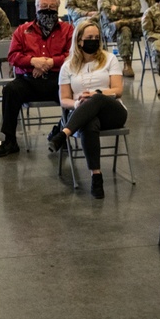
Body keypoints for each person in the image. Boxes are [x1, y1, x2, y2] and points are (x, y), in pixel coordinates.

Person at [47, 19, 126, 198]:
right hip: (81, 113)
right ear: (79, 40)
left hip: (112, 112)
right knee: (89, 123)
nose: (94, 41)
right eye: (89, 37)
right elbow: (64, 99)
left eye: (96, 37)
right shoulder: (67, 66)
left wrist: (97, 94)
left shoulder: (109, 58)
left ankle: (63, 133)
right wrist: (77, 103)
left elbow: (118, 91)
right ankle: (96, 176)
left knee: (96, 98)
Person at [0, 0, 73, 158]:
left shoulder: (68, 29)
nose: (47, 10)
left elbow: (72, 56)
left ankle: (60, 132)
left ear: (58, 9)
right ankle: (10, 140)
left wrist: (50, 62)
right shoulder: (22, 30)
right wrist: (32, 61)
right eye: (43, 7)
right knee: (10, 91)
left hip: (57, 81)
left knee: (78, 96)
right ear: (36, 8)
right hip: (28, 80)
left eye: (52, 8)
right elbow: (13, 56)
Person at [97, 0, 142, 78]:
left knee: (127, 26)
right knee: (125, 29)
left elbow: (136, 9)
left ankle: (122, 23)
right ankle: (127, 63)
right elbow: (108, 14)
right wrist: (127, 11)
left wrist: (117, 9)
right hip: (110, 27)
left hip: (128, 25)